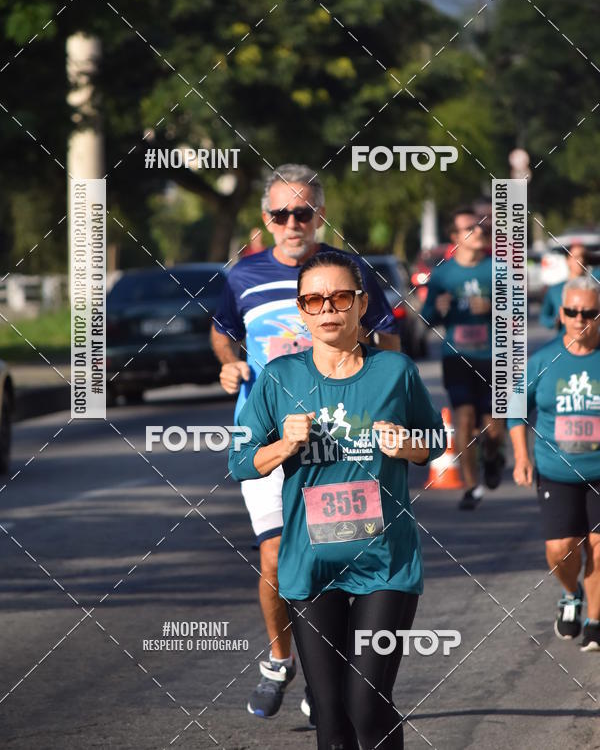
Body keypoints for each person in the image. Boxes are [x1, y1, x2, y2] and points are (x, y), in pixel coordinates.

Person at [229, 252, 446, 749]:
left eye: (341, 297)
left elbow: (435, 439)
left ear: (362, 305)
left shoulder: (394, 371)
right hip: (311, 565)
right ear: (301, 311)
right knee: (330, 718)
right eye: (314, 300)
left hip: (384, 564)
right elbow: (239, 461)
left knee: (366, 704)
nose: (328, 308)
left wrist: (408, 446)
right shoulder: (279, 378)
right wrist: (283, 446)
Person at [211, 164, 399, 719]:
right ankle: (280, 660)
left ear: (320, 215)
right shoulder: (243, 276)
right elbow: (223, 333)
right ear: (266, 219)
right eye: (281, 214)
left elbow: (388, 338)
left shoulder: (349, 271)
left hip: (340, 437)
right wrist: (229, 365)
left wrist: (376, 385)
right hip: (268, 434)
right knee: (275, 557)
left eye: (303, 212)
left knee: (337, 558)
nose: (292, 223)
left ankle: (327, 676)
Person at [510, 276, 600, 650]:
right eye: (572, 311)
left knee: (598, 546)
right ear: (561, 314)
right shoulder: (543, 361)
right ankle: (571, 593)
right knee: (561, 549)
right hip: (556, 471)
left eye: (589, 313)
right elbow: (515, 409)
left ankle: (595, 622)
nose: (580, 319)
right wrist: (521, 456)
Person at [421, 206, 505, 510]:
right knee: (464, 418)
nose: (479, 231)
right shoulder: (443, 274)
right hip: (457, 357)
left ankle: (493, 456)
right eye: (471, 227)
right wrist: (438, 309)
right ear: (455, 236)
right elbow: (426, 319)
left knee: (494, 427)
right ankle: (471, 487)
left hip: (493, 357)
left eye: (482, 227)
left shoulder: (498, 269)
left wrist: (494, 308)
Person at [539, 243, 591, 331]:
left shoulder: (595, 289)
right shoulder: (554, 290)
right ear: (567, 260)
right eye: (576, 257)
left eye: (584, 257)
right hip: (563, 337)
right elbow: (544, 317)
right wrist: (555, 321)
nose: (581, 260)